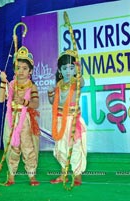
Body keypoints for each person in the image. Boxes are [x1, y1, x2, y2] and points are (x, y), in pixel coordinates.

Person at [0, 46, 40, 186]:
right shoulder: (11, 84)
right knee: (10, 147)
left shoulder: (32, 86)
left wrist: (23, 102)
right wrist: (3, 82)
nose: (20, 71)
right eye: (18, 68)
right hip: (11, 119)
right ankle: (11, 176)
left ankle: (32, 175)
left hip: (25, 120)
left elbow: (35, 104)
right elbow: (0, 99)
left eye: (24, 68)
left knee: (28, 147)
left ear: (31, 71)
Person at [47, 50, 87, 186]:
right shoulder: (59, 85)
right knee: (61, 148)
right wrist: (50, 94)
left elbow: (82, 82)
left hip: (73, 120)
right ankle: (63, 174)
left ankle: (77, 176)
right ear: (60, 70)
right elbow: (53, 102)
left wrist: (79, 70)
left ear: (75, 69)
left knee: (74, 148)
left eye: (71, 68)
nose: (68, 71)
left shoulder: (76, 82)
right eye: (64, 68)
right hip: (59, 120)